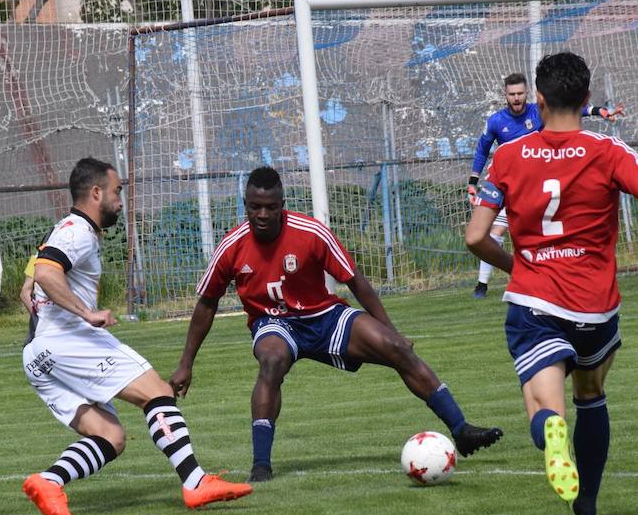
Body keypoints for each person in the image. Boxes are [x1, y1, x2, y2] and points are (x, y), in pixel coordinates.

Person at [170, 166, 503, 483]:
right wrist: (186, 363)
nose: (262, 214)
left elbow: (355, 281)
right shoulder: (231, 245)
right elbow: (207, 304)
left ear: (282, 206)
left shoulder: (310, 232)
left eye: (270, 207)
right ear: (245, 205)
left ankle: (461, 431)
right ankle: (261, 464)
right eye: (254, 207)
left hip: (324, 317)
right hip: (273, 324)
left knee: (398, 349)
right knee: (271, 361)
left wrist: (390, 330)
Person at [21, 157, 252, 515]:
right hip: (66, 341)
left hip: (38, 354)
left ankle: (48, 482)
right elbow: (47, 274)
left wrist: (47, 316)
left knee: (110, 437)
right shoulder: (77, 230)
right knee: (157, 391)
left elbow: (28, 286)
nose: (119, 200)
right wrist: (86, 313)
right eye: (116, 192)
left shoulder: (61, 231)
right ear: (96, 192)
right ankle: (195, 482)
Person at [465, 52, 637, 515]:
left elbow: (477, 237)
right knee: (592, 395)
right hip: (596, 305)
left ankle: (551, 434)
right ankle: (586, 508)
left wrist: (518, 264)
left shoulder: (509, 156)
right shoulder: (608, 151)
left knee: (545, 407)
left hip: (536, 300)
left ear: (537, 100)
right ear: (586, 100)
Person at [467, 72, 623, 299]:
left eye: (520, 93)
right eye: (512, 94)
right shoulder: (496, 122)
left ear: (528, 93)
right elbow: (482, 150)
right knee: (494, 231)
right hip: (510, 187)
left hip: (537, 187)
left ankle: (550, 275)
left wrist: (598, 111)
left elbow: (570, 111)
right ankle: (482, 284)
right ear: (505, 95)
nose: (517, 98)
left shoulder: (538, 111)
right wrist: (473, 181)